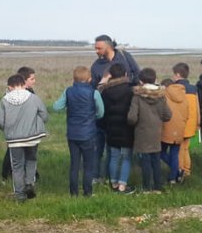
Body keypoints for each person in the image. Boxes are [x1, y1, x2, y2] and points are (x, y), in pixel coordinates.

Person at [90, 34, 141, 181]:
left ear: (108, 46)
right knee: (99, 148)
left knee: (115, 150)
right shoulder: (96, 65)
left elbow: (137, 76)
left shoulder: (125, 57)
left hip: (124, 113)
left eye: (99, 48)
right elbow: (94, 90)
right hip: (103, 115)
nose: (96, 51)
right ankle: (96, 177)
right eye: (95, 48)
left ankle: (109, 177)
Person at [0, 74, 48, 203]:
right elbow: (45, 115)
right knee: (31, 160)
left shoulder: (4, 100)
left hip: (14, 140)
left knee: (17, 166)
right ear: (24, 84)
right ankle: (30, 182)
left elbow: (0, 122)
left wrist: (7, 130)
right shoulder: (34, 98)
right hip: (32, 137)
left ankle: (20, 195)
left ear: (9, 87)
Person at [53, 66, 104, 197]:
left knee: (74, 164)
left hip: (72, 133)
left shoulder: (68, 91)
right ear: (89, 79)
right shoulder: (94, 93)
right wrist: (93, 117)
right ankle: (87, 192)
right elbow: (101, 112)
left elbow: (56, 106)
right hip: (89, 133)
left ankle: (73, 193)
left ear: (74, 78)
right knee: (88, 165)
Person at [128, 68, 172, 192]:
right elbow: (168, 115)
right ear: (154, 79)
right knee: (156, 161)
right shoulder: (161, 97)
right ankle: (158, 186)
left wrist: (134, 123)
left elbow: (131, 117)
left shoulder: (137, 97)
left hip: (142, 133)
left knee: (145, 162)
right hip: (156, 133)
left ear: (141, 81)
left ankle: (147, 187)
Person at [100, 63, 136, 194]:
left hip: (111, 127)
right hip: (127, 128)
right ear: (126, 74)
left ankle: (114, 183)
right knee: (126, 157)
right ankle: (122, 185)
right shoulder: (131, 90)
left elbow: (102, 111)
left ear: (111, 75)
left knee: (114, 156)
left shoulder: (105, 91)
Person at [1, 66, 37, 182]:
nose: (34, 81)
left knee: (29, 152)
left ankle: (30, 175)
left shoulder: (31, 92)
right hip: (15, 130)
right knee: (12, 152)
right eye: (32, 79)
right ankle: (6, 174)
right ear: (24, 81)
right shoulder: (10, 95)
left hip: (28, 129)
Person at [172, 63, 199, 179]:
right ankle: (187, 170)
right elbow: (197, 107)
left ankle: (180, 170)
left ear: (177, 75)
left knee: (179, 149)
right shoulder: (193, 89)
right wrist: (198, 122)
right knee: (185, 148)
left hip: (180, 123)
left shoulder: (175, 89)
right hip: (191, 123)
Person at [160, 78, 189, 185]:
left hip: (166, 129)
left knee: (160, 152)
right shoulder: (184, 96)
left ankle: (177, 171)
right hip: (180, 128)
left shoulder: (164, 97)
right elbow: (187, 114)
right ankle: (173, 177)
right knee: (174, 153)